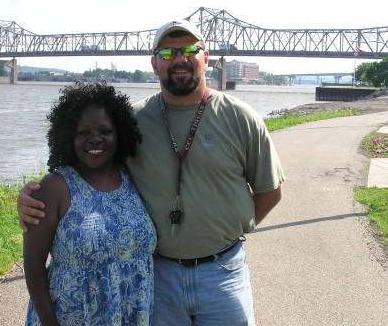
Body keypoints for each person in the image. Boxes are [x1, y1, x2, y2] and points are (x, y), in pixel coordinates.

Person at [19, 20, 284, 326]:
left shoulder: (241, 118)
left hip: (222, 272)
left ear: (206, 57)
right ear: (154, 64)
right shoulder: (132, 121)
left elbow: (270, 192)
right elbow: (89, 167)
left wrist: (228, 230)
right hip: (158, 275)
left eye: (189, 50)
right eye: (169, 53)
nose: (180, 59)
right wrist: (31, 197)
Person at [22, 82, 157, 326]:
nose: (95, 139)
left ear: (120, 134)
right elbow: (33, 263)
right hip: (71, 317)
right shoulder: (55, 187)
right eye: (83, 132)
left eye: (105, 131)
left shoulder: (134, 178)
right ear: (68, 136)